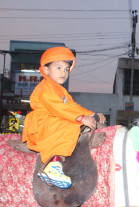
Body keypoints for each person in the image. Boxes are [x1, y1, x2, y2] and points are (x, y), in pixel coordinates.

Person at [22, 47, 106, 189]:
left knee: (74, 126)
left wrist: (91, 115)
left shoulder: (61, 90)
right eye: (59, 67)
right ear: (46, 70)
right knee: (68, 126)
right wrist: (80, 118)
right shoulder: (45, 88)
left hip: (54, 118)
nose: (63, 72)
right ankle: (52, 165)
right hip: (43, 122)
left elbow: (72, 106)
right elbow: (57, 108)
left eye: (66, 69)